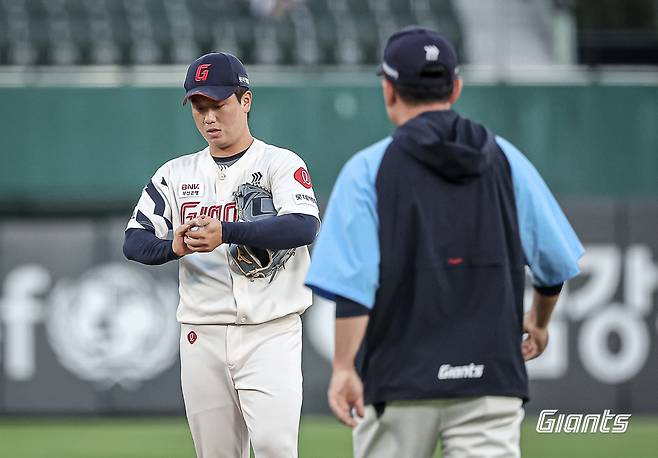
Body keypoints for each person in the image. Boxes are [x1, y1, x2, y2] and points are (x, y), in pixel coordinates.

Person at [305, 27, 584, 458]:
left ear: (389, 90)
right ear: (455, 87)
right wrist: (540, 321)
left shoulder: (368, 169)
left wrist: (344, 367)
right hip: (489, 378)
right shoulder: (507, 159)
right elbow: (554, 265)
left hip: (398, 381)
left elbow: (354, 289)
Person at [123, 52, 320, 458]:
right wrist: (173, 246)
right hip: (202, 333)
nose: (209, 117)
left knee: (275, 448)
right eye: (200, 107)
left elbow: (303, 225)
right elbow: (134, 240)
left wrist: (227, 231)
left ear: (244, 100)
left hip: (272, 329)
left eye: (219, 104)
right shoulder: (176, 174)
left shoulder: (279, 164)